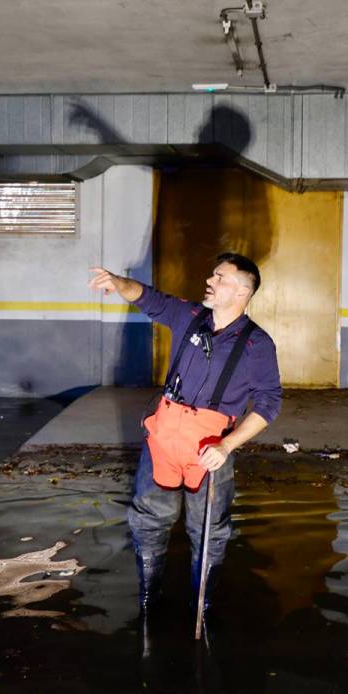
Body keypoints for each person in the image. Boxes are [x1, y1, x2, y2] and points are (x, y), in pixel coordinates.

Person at [88, 254, 282, 619]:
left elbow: (270, 404)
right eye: (213, 273)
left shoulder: (257, 344)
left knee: (209, 530)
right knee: (148, 518)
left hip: (209, 448)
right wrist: (118, 281)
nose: (210, 279)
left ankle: (202, 609)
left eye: (219, 277)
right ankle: (148, 602)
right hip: (163, 436)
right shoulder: (190, 317)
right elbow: (148, 298)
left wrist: (226, 445)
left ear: (241, 291)